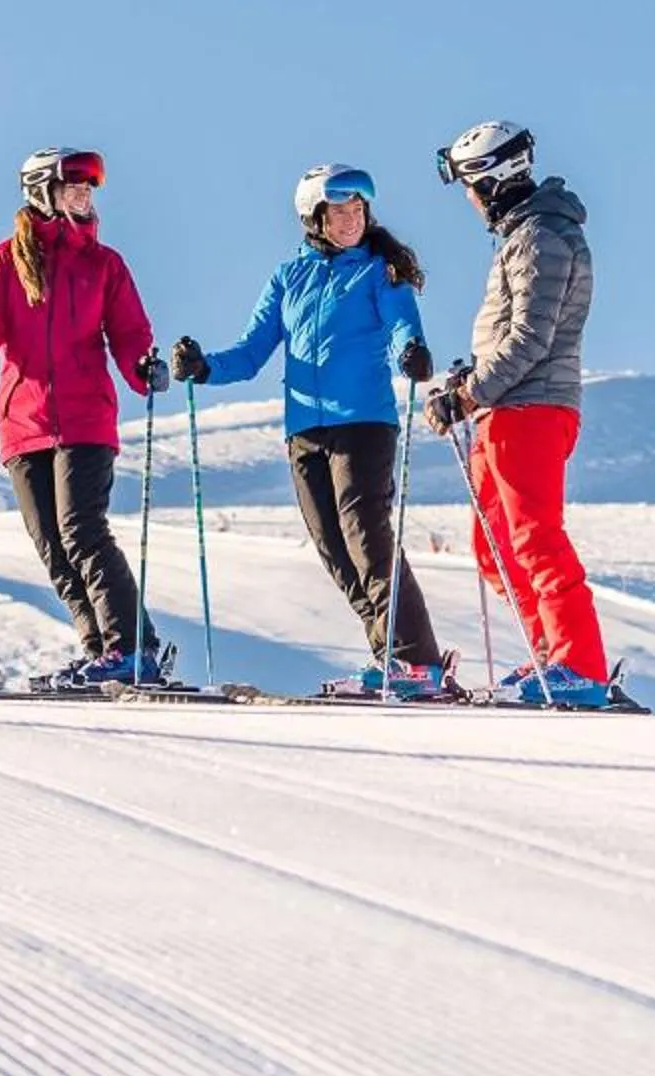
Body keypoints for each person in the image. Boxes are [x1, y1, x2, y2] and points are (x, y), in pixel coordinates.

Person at [171, 164, 449, 694]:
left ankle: (419, 660)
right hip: (305, 431)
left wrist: (411, 350)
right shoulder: (288, 278)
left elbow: (400, 324)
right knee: (335, 551)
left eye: (358, 210)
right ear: (314, 217)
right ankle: (392, 659)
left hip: (363, 422)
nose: (351, 220)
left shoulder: (377, 271)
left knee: (366, 537)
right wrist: (204, 367)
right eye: (340, 211)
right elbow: (252, 352)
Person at [0, 146, 172, 685]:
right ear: (41, 190)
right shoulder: (8, 260)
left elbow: (129, 331)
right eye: (73, 185)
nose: (84, 194)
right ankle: (104, 650)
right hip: (24, 424)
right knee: (52, 544)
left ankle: (129, 647)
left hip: (85, 418)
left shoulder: (103, 264)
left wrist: (144, 368)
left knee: (82, 530)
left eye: (89, 187)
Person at [426, 120, 616, 707]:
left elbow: (532, 337)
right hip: (502, 407)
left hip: (530, 406)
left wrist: (469, 393)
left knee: (534, 538)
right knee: (495, 549)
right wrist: (471, 385)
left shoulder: (543, 238)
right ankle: (548, 660)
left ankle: (578, 665)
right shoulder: (522, 237)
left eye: (467, 183)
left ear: (492, 179)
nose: (467, 197)